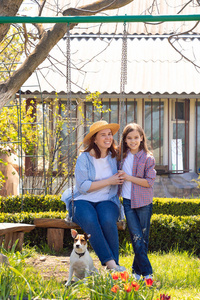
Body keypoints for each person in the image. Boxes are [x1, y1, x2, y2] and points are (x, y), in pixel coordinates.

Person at [62, 120, 125, 272]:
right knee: (90, 219)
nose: (108, 138)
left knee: (108, 220)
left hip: (107, 199)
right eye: (103, 135)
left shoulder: (115, 156)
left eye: (109, 134)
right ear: (94, 139)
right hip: (82, 200)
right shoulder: (84, 158)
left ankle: (113, 266)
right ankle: (112, 265)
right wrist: (109, 180)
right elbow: (83, 187)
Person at [118, 123, 156, 280]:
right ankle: (147, 273)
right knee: (136, 238)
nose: (133, 141)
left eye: (136, 137)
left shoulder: (148, 158)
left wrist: (128, 177)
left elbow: (149, 182)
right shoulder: (121, 157)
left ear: (141, 138)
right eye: (129, 138)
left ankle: (137, 272)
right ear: (125, 140)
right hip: (127, 202)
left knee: (142, 240)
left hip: (144, 203)